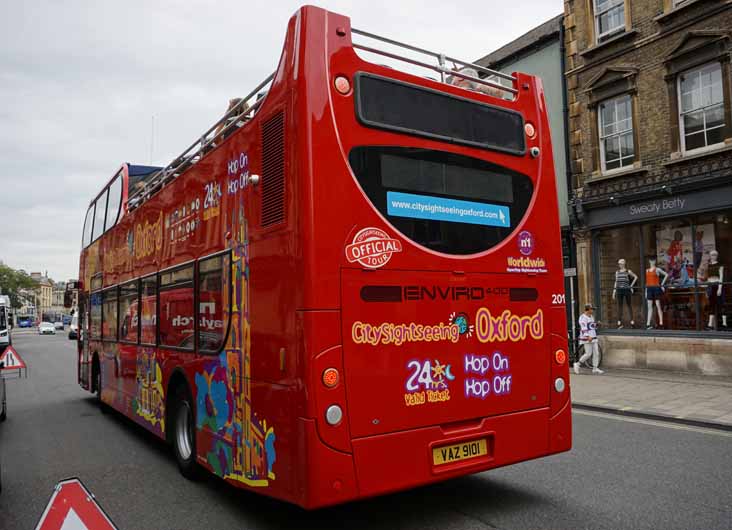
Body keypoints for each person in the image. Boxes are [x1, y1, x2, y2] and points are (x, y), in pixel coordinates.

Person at [574, 303, 603, 375]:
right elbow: (583, 328)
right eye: (592, 309)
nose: (593, 310)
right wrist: (587, 336)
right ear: (588, 309)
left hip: (593, 337)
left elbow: (591, 326)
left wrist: (597, 324)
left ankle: (595, 368)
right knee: (588, 354)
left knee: (596, 352)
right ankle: (577, 364)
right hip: (587, 338)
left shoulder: (591, 317)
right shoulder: (582, 317)